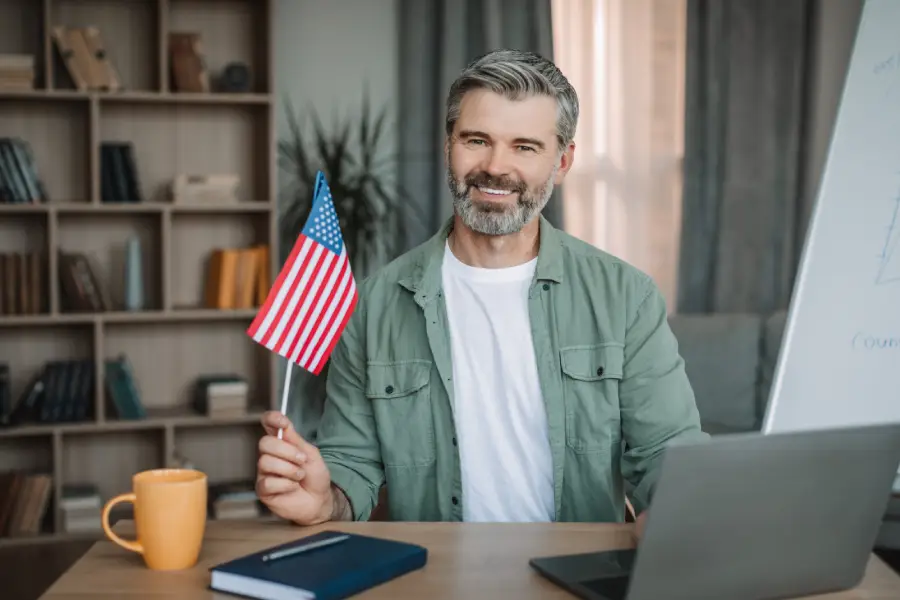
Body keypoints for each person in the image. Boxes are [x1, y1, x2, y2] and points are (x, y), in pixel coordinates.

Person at [255, 49, 708, 536]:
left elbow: (668, 454)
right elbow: (350, 470)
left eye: (525, 147)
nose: (495, 166)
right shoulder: (372, 306)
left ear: (562, 161)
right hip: (434, 576)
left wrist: (676, 519)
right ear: (449, 144)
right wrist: (324, 500)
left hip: (578, 572)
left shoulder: (626, 297)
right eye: (477, 140)